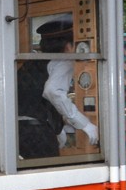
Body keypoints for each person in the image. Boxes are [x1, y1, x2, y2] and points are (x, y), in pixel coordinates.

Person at [17, 18, 99, 158]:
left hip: (18, 131)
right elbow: (52, 91)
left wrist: (57, 129)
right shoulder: (64, 62)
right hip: (38, 134)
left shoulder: (30, 63)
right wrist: (84, 124)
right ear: (68, 46)